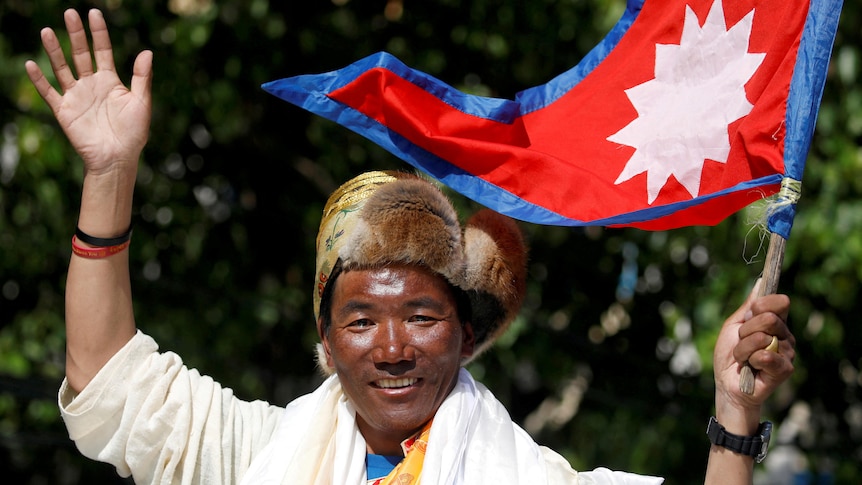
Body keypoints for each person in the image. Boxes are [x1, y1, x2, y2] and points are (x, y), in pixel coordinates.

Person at [25, 8, 796, 485]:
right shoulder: (254, 456)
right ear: (325, 338)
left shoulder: (528, 477)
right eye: (361, 320)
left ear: (467, 330)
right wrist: (110, 175)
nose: (392, 346)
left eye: (421, 315)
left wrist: (734, 411)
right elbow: (108, 385)